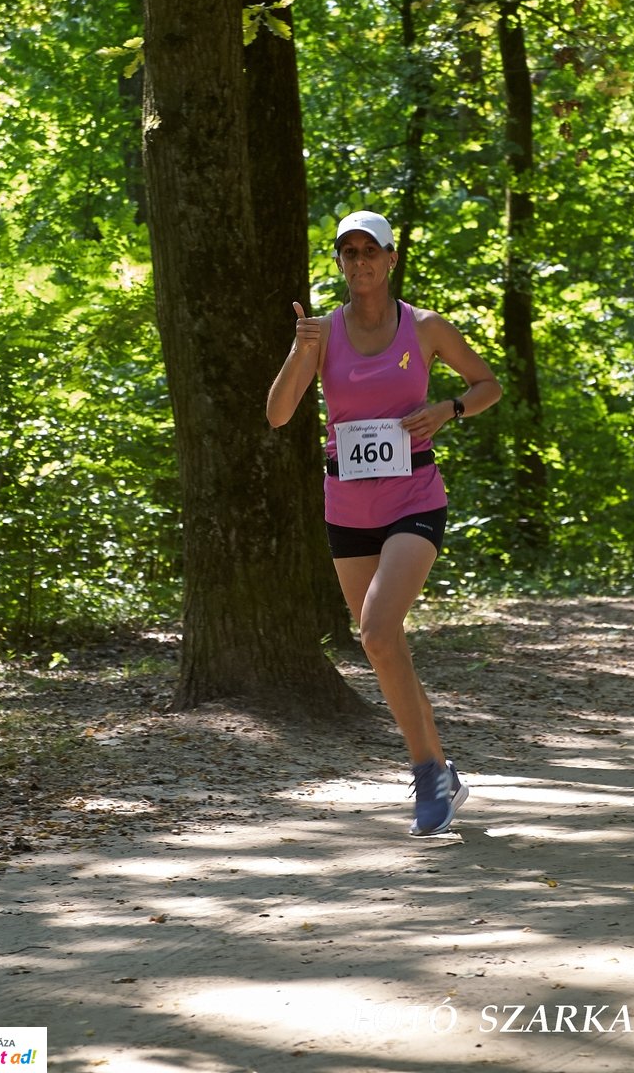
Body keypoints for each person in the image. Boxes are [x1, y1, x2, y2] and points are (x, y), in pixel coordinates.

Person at [266, 209, 501, 835]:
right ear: (339, 262)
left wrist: (447, 409)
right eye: (350, 252)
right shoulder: (322, 334)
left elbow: (488, 385)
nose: (361, 261)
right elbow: (279, 414)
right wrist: (300, 352)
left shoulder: (424, 327)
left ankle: (427, 777)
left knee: (373, 631)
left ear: (392, 259)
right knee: (385, 644)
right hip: (347, 506)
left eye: (372, 251)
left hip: (414, 500)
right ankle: (442, 772)